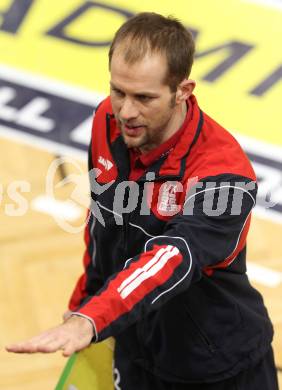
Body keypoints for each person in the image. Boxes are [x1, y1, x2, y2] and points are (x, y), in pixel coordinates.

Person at [6, 12, 279, 390]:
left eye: (144, 98)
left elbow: (170, 257)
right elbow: (103, 224)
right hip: (134, 346)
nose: (126, 111)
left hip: (215, 365)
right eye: (118, 91)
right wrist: (84, 303)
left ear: (183, 91)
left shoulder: (225, 174)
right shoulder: (108, 120)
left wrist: (94, 317)